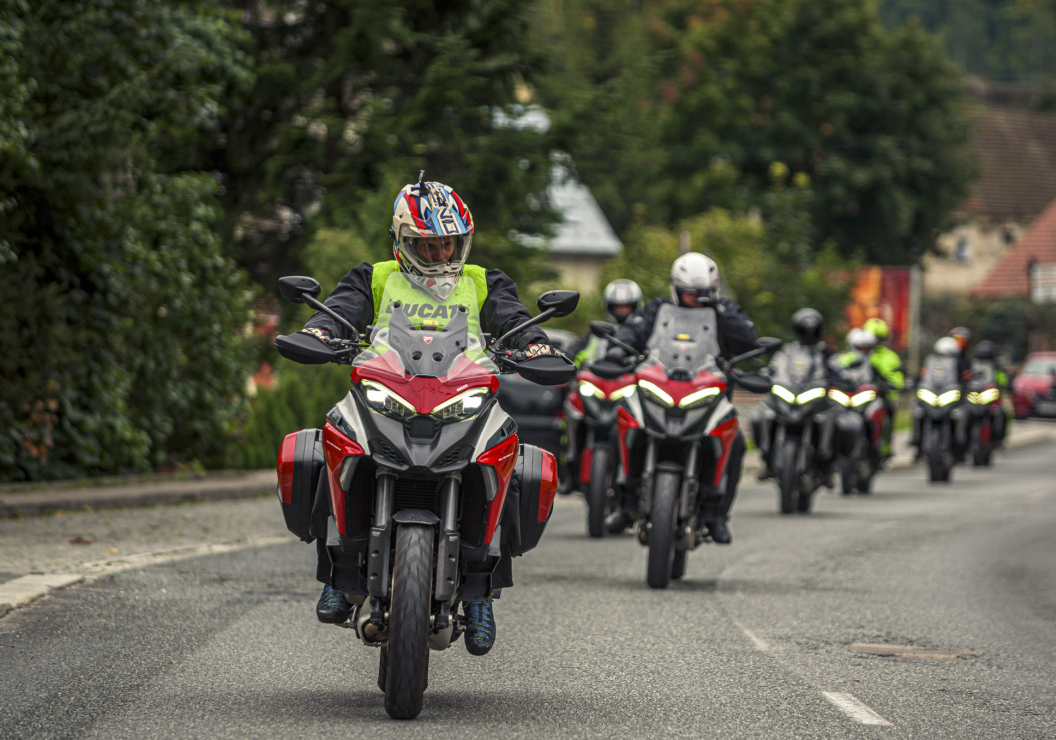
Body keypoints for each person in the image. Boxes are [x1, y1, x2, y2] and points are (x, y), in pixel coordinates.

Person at [296, 176, 565, 656]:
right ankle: (337, 573)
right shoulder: (375, 277)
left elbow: (512, 317)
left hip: (463, 395)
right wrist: (320, 331)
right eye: (429, 246)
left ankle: (481, 592)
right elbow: (340, 310)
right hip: (388, 390)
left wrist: (535, 345)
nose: (441, 255)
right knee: (332, 439)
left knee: (506, 453)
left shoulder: (482, 281)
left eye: (450, 244)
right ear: (402, 241)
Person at [601, 252, 773, 544]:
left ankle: (717, 514)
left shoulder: (725, 311)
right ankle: (625, 503)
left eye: (702, 293)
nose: (695, 298)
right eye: (689, 293)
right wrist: (619, 349)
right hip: (659, 390)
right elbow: (633, 329)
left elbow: (748, 340)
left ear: (714, 288)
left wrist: (719, 308)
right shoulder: (658, 309)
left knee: (736, 443)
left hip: (708, 397)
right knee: (620, 422)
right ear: (675, 288)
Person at [560, 279, 644, 494]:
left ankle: (635, 479)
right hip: (595, 386)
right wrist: (564, 362)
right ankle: (569, 465)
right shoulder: (596, 333)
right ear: (608, 307)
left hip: (626, 389)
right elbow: (575, 350)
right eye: (617, 307)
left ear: (636, 306)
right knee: (570, 412)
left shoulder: (641, 334)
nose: (622, 311)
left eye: (626, 307)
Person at [753, 307, 841, 486]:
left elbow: (839, 370)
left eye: (813, 331)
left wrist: (841, 377)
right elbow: (774, 367)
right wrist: (765, 372)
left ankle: (827, 466)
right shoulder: (786, 352)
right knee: (758, 417)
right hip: (788, 395)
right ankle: (767, 458)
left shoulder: (826, 352)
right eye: (804, 330)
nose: (809, 335)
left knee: (838, 421)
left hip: (816, 401)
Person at [861, 318, 905, 458]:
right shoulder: (858, 353)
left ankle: (884, 446)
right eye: (872, 337)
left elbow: (898, 377)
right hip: (859, 395)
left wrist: (893, 385)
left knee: (887, 414)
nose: (874, 341)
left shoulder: (891, 357)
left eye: (878, 338)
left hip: (882, 396)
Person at [969, 339, 1010, 448]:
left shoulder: (996, 366)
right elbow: (965, 377)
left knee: (1001, 413)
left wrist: (1001, 384)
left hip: (990, 398)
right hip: (974, 395)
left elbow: (1004, 380)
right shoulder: (972, 364)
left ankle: (998, 438)